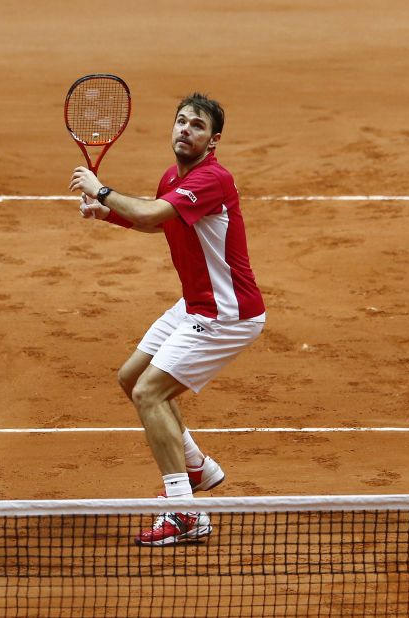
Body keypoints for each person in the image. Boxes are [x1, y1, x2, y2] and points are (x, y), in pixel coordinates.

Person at [68, 93, 265, 546]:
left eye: (196, 125)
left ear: (212, 140)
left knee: (149, 393)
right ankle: (196, 464)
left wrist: (100, 189)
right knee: (131, 377)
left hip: (227, 312)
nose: (184, 130)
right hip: (196, 303)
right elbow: (158, 223)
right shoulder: (174, 177)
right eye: (180, 122)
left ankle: (184, 512)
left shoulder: (214, 178)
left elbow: (153, 211)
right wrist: (106, 214)